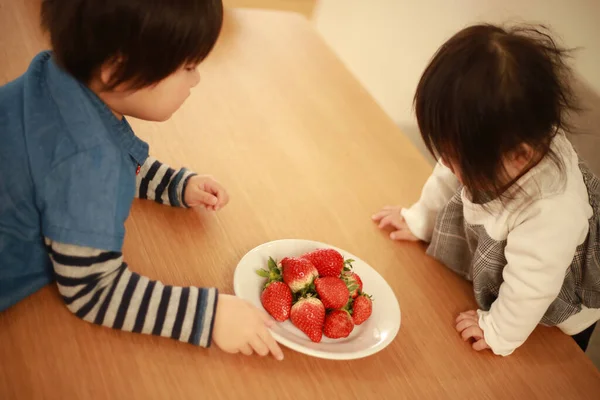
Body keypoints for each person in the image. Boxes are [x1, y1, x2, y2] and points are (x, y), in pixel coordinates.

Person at [0, 0, 283, 361]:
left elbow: (89, 168)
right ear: (116, 67)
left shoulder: (54, 77)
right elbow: (92, 289)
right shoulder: (85, 159)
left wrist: (173, 185)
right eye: (188, 66)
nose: (196, 79)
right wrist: (207, 315)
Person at [373, 24, 600, 356]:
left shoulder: (553, 209)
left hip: (552, 307)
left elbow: (532, 287)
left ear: (520, 155)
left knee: (550, 367)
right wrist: (420, 219)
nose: (446, 165)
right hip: (515, 270)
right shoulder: (490, 148)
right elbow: (444, 179)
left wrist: (497, 331)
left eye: (455, 158)